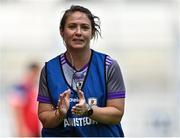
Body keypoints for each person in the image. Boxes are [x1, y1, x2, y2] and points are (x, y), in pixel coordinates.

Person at [37, 5, 126, 137]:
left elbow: (117, 114)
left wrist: (89, 110)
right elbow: (44, 118)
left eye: (84, 27)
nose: (78, 32)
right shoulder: (49, 70)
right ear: (62, 31)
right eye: (72, 26)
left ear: (92, 33)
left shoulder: (108, 65)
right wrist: (59, 114)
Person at [9, 62, 40, 137]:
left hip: (36, 130)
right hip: (26, 131)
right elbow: (16, 110)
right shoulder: (20, 87)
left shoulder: (35, 87)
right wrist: (22, 129)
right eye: (35, 73)